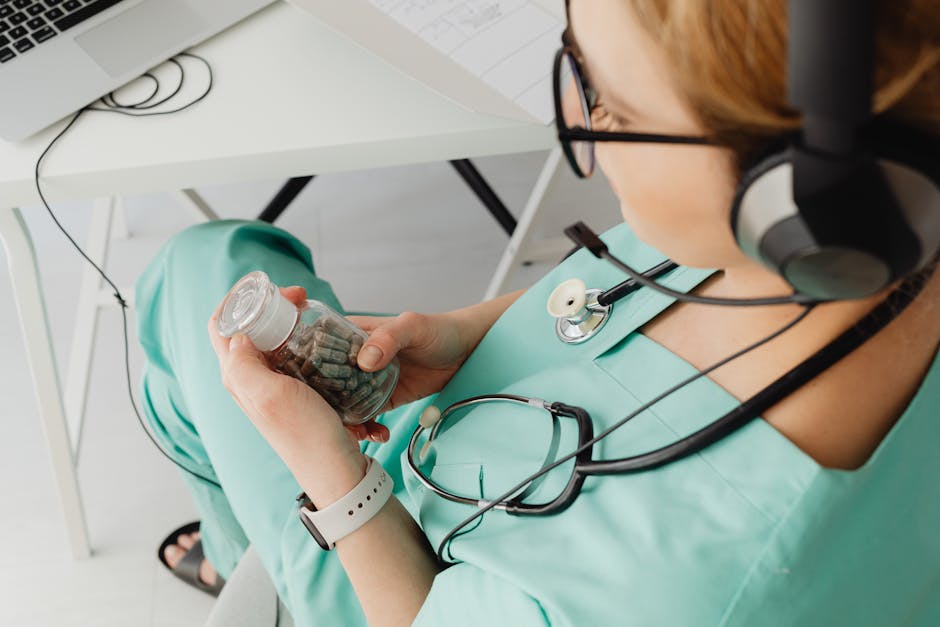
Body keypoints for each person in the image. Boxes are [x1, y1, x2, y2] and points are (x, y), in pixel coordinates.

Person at [138, 0, 940, 625]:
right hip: (462, 452)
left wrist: (330, 471)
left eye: (615, 107)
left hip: (386, 567)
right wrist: (472, 331)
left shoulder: (682, 590)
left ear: (798, 203)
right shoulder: (862, 224)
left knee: (196, 274)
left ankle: (234, 556)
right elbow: (625, 292)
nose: (583, 123)